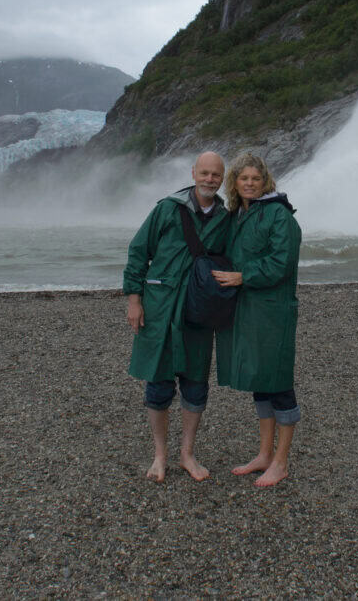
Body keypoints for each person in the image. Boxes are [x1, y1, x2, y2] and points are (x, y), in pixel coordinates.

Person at [123, 151, 230, 483]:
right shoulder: (167, 209)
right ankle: (159, 456)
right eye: (205, 173)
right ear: (193, 172)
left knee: (195, 384)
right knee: (158, 384)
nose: (210, 179)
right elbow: (139, 251)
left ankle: (187, 454)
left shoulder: (227, 219)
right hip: (160, 308)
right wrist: (134, 300)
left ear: (222, 179)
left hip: (199, 311)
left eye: (216, 175)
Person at [212, 152, 302, 487]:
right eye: (243, 178)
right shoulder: (237, 215)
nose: (249, 183)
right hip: (248, 309)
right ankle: (264, 454)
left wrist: (242, 276)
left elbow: (282, 264)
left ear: (265, 182)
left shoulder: (279, 216)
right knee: (260, 381)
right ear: (234, 182)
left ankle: (281, 461)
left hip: (273, 311)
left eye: (255, 178)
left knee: (278, 383)